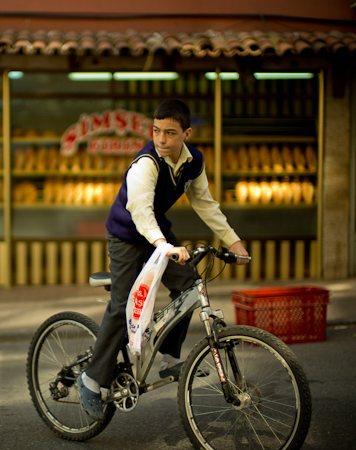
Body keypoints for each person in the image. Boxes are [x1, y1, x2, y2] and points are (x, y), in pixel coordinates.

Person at [78, 99, 250, 421]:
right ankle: (91, 379)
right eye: (156, 131)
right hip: (128, 236)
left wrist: (233, 241)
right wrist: (162, 245)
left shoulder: (193, 161)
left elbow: (205, 204)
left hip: (159, 234)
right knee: (124, 303)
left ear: (186, 133)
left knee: (189, 285)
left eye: (170, 133)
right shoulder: (146, 163)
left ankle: (170, 358)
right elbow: (140, 211)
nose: (160, 139)